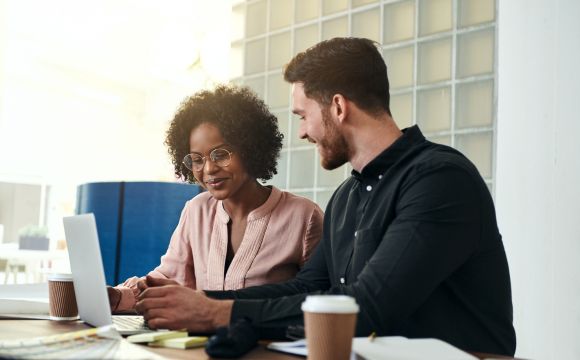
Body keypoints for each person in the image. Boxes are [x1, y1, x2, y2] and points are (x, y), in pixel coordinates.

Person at [135, 38, 516, 356]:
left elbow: (366, 308)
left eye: (303, 115)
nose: (302, 132)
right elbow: (310, 289)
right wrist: (202, 300)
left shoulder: (439, 180)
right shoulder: (347, 196)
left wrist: (216, 314)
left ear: (337, 106)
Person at [107, 85, 324, 312]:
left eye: (220, 154)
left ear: (250, 149)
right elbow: (167, 278)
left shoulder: (304, 216)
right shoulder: (196, 210)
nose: (209, 169)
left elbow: (320, 297)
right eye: (197, 159)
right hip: (202, 346)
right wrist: (114, 296)